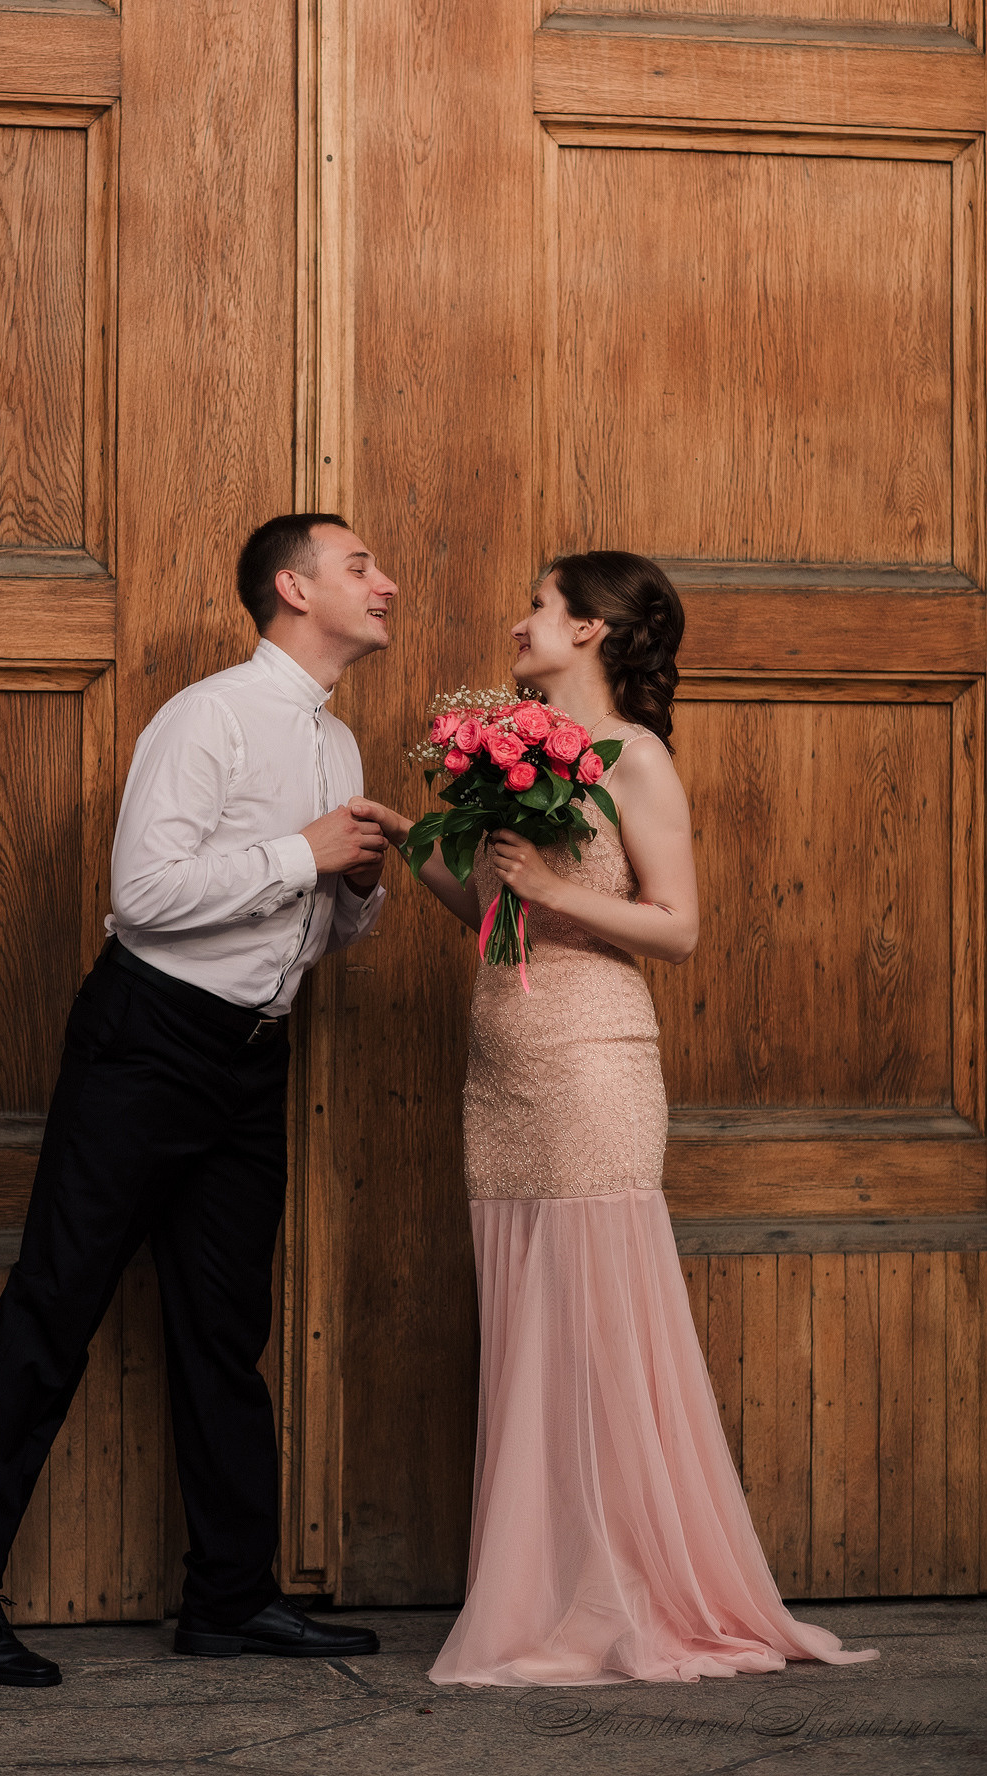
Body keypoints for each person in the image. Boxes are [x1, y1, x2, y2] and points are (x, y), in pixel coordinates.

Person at [358, 551, 877, 1686]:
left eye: (539, 606)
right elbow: (496, 917)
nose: (519, 621)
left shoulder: (633, 757)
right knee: (533, 1328)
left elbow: (677, 928)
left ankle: (632, 1596)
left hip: (593, 1059)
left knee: (595, 1326)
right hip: (503, 1065)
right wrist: (413, 842)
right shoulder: (514, 752)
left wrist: (551, 889)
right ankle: (557, 1589)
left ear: (592, 629)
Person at [0, 513, 396, 1686]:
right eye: (359, 566)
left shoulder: (338, 745)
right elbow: (144, 894)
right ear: (293, 589)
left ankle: (228, 1597)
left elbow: (319, 928)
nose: (385, 583)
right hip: (146, 1043)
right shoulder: (206, 716)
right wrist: (303, 853)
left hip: (252, 1056)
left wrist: (356, 886)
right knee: (54, 1308)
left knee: (224, 1332)